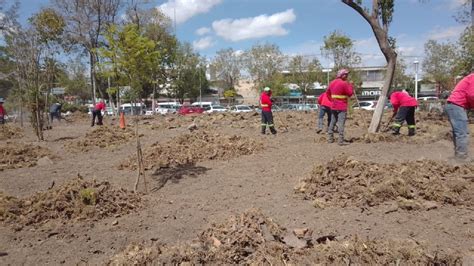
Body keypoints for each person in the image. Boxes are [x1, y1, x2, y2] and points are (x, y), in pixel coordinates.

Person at [445, 73, 474, 160]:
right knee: (462, 132)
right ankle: (461, 157)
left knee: (458, 132)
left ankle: (459, 155)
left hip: (454, 105)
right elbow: (472, 95)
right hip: (456, 105)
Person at [326, 69, 353, 145]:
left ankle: (330, 139)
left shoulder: (332, 83)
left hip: (334, 106)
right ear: (341, 75)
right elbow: (350, 93)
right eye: (345, 74)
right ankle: (340, 140)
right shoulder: (344, 83)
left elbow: (327, 93)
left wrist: (332, 100)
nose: (347, 76)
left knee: (332, 122)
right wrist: (351, 85)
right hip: (342, 106)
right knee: (341, 123)